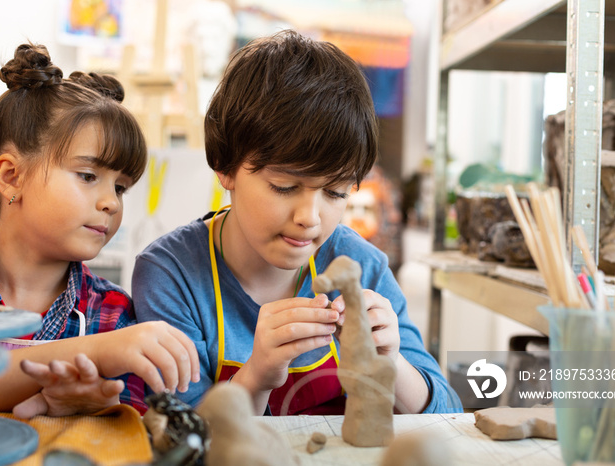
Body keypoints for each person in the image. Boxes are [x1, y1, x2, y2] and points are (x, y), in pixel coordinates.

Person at [132, 30, 462, 415]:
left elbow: (449, 416)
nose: (309, 218)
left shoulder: (362, 266)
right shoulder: (172, 275)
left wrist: (390, 364)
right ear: (225, 168)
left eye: (336, 193)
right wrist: (256, 376)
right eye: (285, 186)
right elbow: (179, 437)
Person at [0, 43, 199, 417]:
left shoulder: (113, 315)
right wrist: (94, 352)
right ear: (11, 176)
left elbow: (131, 424)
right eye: (88, 176)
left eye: (120, 187)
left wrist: (100, 405)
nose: (111, 202)